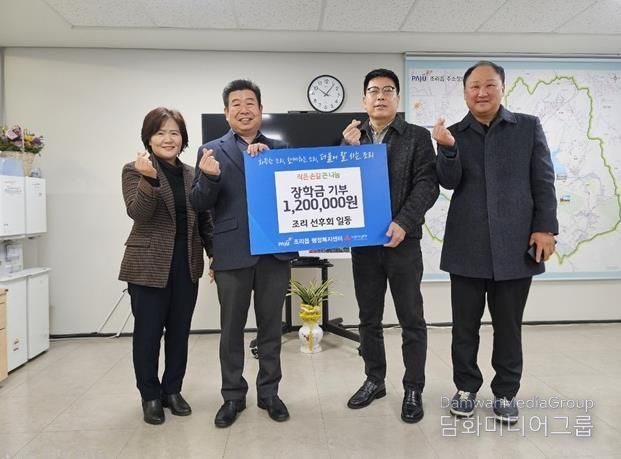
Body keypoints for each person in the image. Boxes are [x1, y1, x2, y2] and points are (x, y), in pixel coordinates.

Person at [432, 60, 558, 423]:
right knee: (464, 327)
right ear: (465, 93)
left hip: (515, 247)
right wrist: (447, 149)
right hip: (466, 246)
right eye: (474, 86)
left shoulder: (527, 127)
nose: (482, 92)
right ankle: (466, 388)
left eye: (489, 85)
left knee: (509, 328)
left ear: (502, 88)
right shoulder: (454, 133)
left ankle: (506, 392)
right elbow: (448, 181)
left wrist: (545, 227)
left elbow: (543, 180)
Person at [190, 79, 297, 428]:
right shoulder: (210, 150)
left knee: (271, 328)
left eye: (250, 102)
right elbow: (198, 203)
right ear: (226, 113)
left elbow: (294, 197)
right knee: (230, 331)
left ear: (261, 110)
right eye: (236, 104)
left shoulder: (280, 149)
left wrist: (270, 166)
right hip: (231, 251)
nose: (244, 109)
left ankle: (269, 393)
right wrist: (209, 178)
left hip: (273, 254)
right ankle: (233, 396)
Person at [342, 68, 439, 423]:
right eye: (373, 90)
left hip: (403, 242)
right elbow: (340, 184)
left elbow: (427, 184)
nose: (380, 96)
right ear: (364, 99)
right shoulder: (352, 137)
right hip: (365, 246)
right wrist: (346, 150)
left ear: (397, 98)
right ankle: (374, 380)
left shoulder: (416, 136)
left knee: (411, 318)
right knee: (368, 318)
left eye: (387, 90)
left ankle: (413, 387)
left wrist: (404, 222)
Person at [119, 107, 213, 425]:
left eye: (174, 133)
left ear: (183, 139)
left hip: (186, 264)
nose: (168, 139)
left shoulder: (192, 174)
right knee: (147, 335)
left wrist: (214, 254)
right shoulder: (134, 170)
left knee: (179, 333)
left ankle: (172, 390)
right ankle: (150, 395)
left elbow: (204, 219)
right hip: (148, 266)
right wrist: (148, 179)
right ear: (148, 138)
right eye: (160, 132)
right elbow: (138, 213)